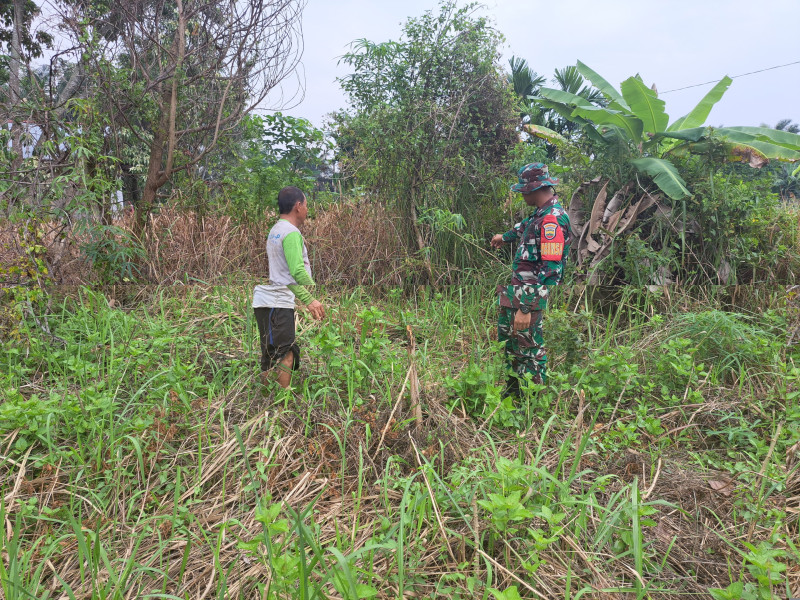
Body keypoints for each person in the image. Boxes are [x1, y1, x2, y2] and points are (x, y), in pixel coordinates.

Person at [490, 163, 571, 397]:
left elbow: (551, 271)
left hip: (528, 297)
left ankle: (532, 401)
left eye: (523, 190)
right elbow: (522, 228)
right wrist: (502, 238)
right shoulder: (538, 215)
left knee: (529, 348)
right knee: (509, 342)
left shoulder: (551, 221)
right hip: (515, 292)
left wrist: (527, 306)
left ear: (535, 189)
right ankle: (513, 392)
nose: (521, 195)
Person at [253, 186, 325, 388]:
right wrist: (311, 295)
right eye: (306, 205)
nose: (307, 210)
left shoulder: (275, 230)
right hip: (279, 302)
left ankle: (266, 400)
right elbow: (296, 272)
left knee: (269, 355)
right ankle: (282, 407)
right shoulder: (291, 233)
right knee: (286, 355)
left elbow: (281, 273)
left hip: (264, 301)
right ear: (298, 206)